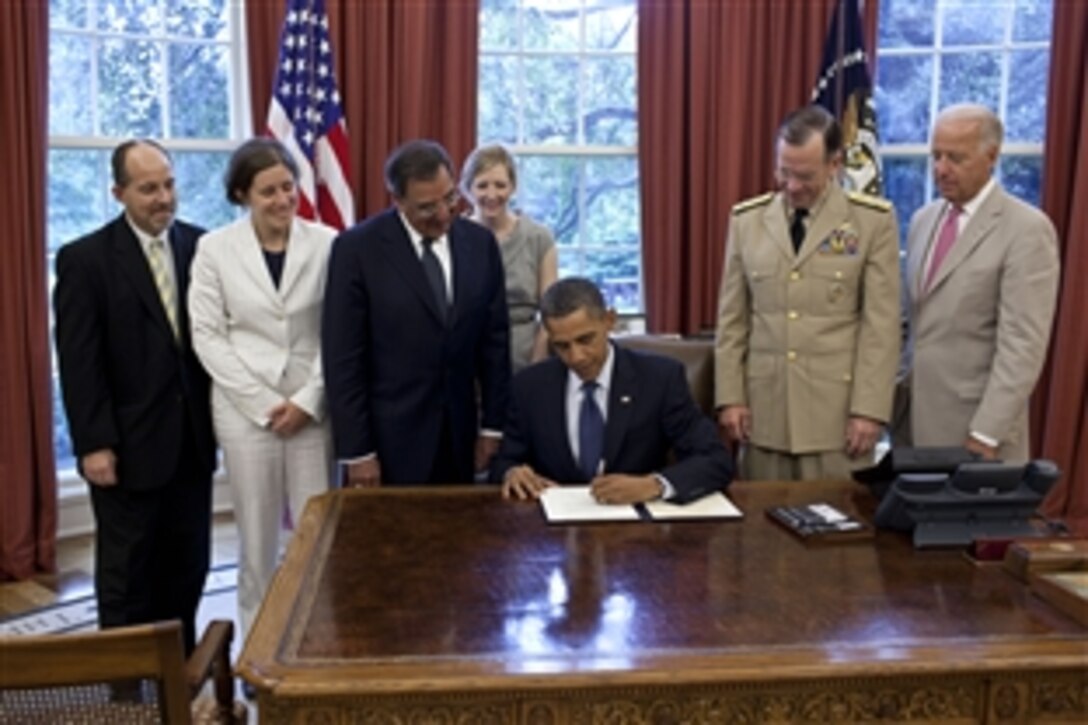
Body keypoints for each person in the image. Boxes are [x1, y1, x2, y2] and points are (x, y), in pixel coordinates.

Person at [53, 139, 216, 654]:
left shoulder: (201, 247)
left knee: (188, 564)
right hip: (125, 448)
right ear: (118, 192)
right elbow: (80, 363)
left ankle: (181, 670)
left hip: (191, 444)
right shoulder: (86, 260)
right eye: (148, 189)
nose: (163, 197)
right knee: (128, 573)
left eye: (169, 184)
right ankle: (126, 684)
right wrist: (93, 443)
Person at [187, 138, 335, 642]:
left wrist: (307, 400)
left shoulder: (328, 243)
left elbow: (338, 331)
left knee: (315, 536)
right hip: (245, 412)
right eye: (268, 191)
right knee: (257, 540)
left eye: (288, 187)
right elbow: (207, 335)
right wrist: (263, 404)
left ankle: (313, 641)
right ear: (242, 194)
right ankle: (258, 645)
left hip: (312, 408)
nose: (282, 200)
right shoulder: (214, 249)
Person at [714, 105, 901, 481]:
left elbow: (880, 325)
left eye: (805, 175)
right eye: (784, 172)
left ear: (835, 165)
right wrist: (731, 397)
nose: (793, 186)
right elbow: (732, 320)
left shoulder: (871, 222)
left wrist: (870, 409)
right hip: (764, 415)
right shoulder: (747, 221)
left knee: (838, 531)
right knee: (760, 531)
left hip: (837, 420)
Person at [322, 139, 511, 486]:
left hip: (461, 435)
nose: (443, 214)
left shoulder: (480, 245)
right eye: (426, 207)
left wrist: (492, 427)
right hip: (389, 442)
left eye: (450, 198)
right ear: (398, 201)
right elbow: (343, 358)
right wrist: (358, 451)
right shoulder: (357, 250)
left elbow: (495, 343)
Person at [897, 104, 1060, 462]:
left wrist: (987, 431)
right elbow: (909, 324)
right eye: (936, 155)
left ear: (992, 157)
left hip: (976, 432)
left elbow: (1022, 346)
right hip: (910, 421)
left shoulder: (1027, 230)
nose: (941, 169)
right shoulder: (923, 221)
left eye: (955, 158)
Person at [492, 277, 733, 503]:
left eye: (585, 340)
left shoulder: (659, 379)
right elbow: (504, 461)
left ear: (609, 321)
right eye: (561, 346)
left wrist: (654, 485)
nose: (576, 357)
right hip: (554, 534)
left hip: (637, 531)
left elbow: (715, 460)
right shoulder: (530, 386)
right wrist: (512, 472)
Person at [461, 144, 558, 372]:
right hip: (467, 356)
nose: (492, 195)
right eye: (482, 186)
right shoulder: (454, 237)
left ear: (513, 187)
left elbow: (551, 309)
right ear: (468, 189)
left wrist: (538, 361)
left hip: (525, 355)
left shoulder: (539, 237)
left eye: (500, 185)